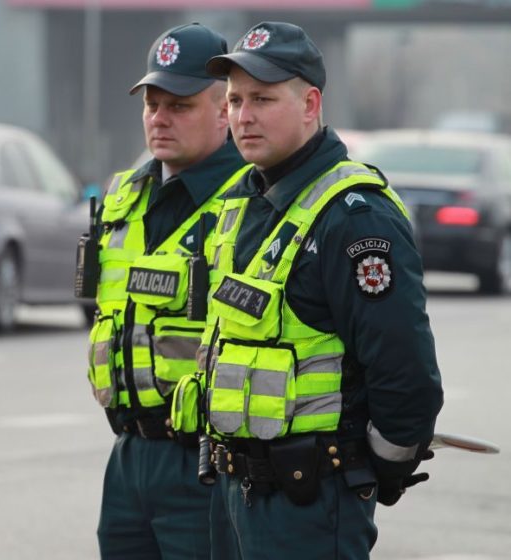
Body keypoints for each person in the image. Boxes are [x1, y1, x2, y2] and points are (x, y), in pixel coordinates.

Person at [189, 21, 444, 559]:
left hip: (308, 499)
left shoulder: (354, 215)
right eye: (234, 100)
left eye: (262, 98)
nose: (243, 115)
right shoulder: (243, 200)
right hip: (235, 493)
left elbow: (404, 371)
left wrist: (377, 468)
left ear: (310, 105)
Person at [84, 22, 249, 560]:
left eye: (178, 106)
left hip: (208, 461)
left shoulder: (251, 202)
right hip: (130, 453)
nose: (159, 119)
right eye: (152, 105)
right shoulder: (126, 197)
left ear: (224, 110)